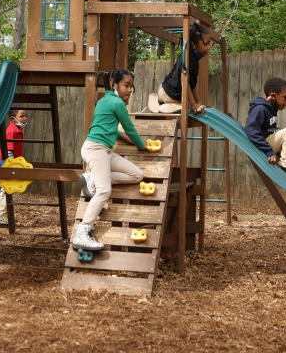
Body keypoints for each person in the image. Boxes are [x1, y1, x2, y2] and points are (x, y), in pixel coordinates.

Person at [71, 69, 145, 252]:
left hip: (102, 151)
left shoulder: (104, 101)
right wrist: (141, 145)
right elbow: (129, 128)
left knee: (137, 174)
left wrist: (124, 138)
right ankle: (83, 231)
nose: (129, 90)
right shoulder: (117, 103)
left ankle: (94, 178)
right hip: (95, 149)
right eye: (126, 85)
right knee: (104, 191)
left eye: (131, 87)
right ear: (114, 84)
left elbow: (112, 128)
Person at [148, 23, 211, 114]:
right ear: (194, 44)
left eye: (209, 44)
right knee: (186, 107)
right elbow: (184, 80)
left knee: (188, 105)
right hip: (167, 93)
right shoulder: (187, 58)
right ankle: (156, 100)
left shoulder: (195, 60)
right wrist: (193, 104)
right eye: (206, 43)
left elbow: (193, 85)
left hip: (175, 95)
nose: (208, 47)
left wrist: (199, 103)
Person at [0, 109, 28, 226]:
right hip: (8, 163)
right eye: (22, 116)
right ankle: (1, 216)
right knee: (5, 189)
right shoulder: (11, 130)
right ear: (13, 119)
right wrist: (13, 166)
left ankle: (7, 216)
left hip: (14, 163)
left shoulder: (19, 130)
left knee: (12, 190)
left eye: (25, 116)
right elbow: (9, 151)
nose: (24, 118)